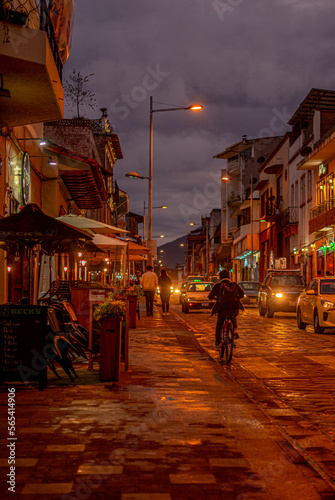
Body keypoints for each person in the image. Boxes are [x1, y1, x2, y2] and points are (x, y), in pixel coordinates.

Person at [208, 269, 244, 348]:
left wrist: (215, 298)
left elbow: (210, 296)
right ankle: (235, 330)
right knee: (233, 318)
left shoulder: (218, 286)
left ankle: (217, 342)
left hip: (222, 309)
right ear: (229, 277)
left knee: (219, 324)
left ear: (220, 277)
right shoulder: (234, 285)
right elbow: (242, 294)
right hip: (233, 309)